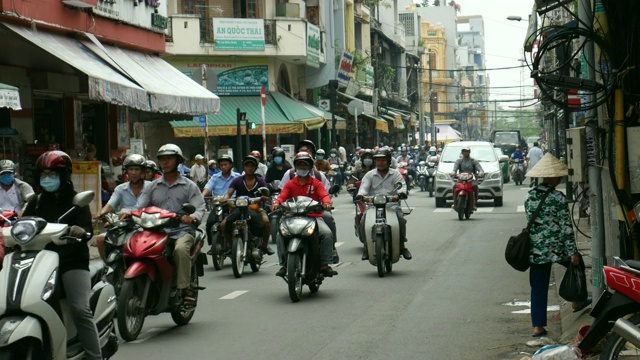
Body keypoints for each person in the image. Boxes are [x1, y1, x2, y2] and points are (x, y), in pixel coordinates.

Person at [22, 151, 102, 360]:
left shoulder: (77, 201)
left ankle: (95, 356)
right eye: (43, 174)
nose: (47, 179)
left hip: (71, 261)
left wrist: (79, 231)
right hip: (40, 262)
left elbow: (87, 230)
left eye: (53, 174)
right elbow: (23, 226)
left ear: (64, 175)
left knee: (80, 309)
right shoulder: (36, 202)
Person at [525, 153, 591, 337]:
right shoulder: (558, 198)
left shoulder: (530, 197)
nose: (561, 178)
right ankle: (577, 301)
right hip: (557, 249)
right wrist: (572, 251)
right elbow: (566, 228)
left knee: (538, 286)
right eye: (559, 175)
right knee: (576, 266)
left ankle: (538, 327)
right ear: (552, 177)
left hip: (537, 250)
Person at [136, 144, 206, 307]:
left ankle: (185, 289)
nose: (165, 163)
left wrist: (192, 217)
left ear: (178, 161)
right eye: (162, 159)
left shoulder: (189, 186)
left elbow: (200, 207)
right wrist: (131, 214)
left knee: (180, 250)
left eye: (169, 159)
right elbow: (140, 206)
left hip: (182, 231)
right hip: (157, 232)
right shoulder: (153, 186)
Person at [271, 152, 337, 277]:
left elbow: (324, 195)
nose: (302, 168)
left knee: (327, 233)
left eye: (305, 165)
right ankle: (284, 264)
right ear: (295, 167)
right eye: (300, 165)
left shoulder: (316, 183)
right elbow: (282, 196)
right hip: (292, 217)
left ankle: (325, 264)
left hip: (314, 217)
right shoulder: (290, 183)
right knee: (280, 235)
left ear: (310, 167)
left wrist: (326, 203)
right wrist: (277, 203)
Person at [356, 147, 412, 261]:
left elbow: (402, 185)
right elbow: (364, 187)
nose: (380, 163)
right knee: (362, 221)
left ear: (388, 161)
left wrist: (401, 193)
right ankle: (367, 247)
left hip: (392, 206)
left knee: (401, 219)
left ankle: (402, 246)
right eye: (378, 160)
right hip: (372, 206)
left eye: (383, 160)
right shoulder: (370, 175)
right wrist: (361, 195)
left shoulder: (395, 174)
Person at [95, 154, 151, 258]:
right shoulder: (120, 189)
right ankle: (109, 266)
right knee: (100, 239)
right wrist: (101, 214)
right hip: (124, 226)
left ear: (142, 171)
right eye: (131, 169)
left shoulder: (151, 187)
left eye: (137, 169)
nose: (133, 173)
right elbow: (110, 205)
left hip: (146, 226)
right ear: (126, 171)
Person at [221, 155, 274, 256]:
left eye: (252, 166)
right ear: (243, 167)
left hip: (257, 208)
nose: (249, 168)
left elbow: (266, 193)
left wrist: (264, 196)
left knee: (266, 222)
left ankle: (265, 245)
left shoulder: (260, 180)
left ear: (255, 167)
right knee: (223, 225)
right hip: (239, 208)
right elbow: (229, 193)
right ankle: (231, 246)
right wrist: (225, 198)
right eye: (247, 166)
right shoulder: (237, 180)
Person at [201, 154, 240, 250]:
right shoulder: (215, 177)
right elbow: (207, 188)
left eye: (225, 164)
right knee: (210, 222)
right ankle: (212, 246)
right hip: (220, 205)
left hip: (234, 205)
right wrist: (201, 196)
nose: (223, 167)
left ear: (230, 165)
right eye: (221, 165)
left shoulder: (237, 177)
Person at [451, 146, 484, 211]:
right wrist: (453, 173)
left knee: (475, 187)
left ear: (469, 152)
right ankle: (454, 203)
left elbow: (480, 169)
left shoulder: (473, 161)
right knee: (454, 187)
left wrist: (480, 173)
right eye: (464, 151)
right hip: (461, 179)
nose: (465, 153)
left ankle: (474, 203)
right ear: (462, 152)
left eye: (466, 151)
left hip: (471, 179)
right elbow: (454, 169)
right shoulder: (459, 161)